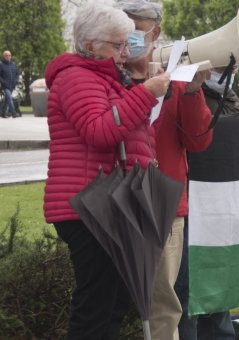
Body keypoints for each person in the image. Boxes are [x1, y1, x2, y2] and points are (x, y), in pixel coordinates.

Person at [44, 3, 170, 338]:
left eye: (128, 43)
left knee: (111, 306)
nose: (125, 52)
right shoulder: (76, 77)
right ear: (89, 44)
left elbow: (136, 137)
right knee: (97, 308)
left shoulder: (107, 79)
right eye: (118, 45)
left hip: (105, 204)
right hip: (89, 206)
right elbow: (99, 131)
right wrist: (145, 94)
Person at [119, 1, 213, 339]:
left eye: (136, 26)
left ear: (156, 32)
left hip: (166, 202)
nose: (128, 33)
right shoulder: (109, 75)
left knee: (164, 305)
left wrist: (192, 92)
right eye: (122, 25)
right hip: (117, 199)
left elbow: (198, 141)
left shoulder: (174, 77)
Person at [174, 70, 239, 340]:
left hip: (210, 198)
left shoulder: (220, 96)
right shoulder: (180, 89)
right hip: (191, 198)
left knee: (211, 278)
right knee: (189, 285)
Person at [0, 50, 20, 118]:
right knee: (10, 98)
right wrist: (3, 82)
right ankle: (14, 113)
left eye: (9, 55)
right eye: (6, 55)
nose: (8, 57)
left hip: (12, 85)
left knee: (7, 99)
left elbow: (17, 74)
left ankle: (3, 113)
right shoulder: (1, 65)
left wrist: (16, 80)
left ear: (11, 56)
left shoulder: (13, 64)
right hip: (5, 86)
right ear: (4, 56)